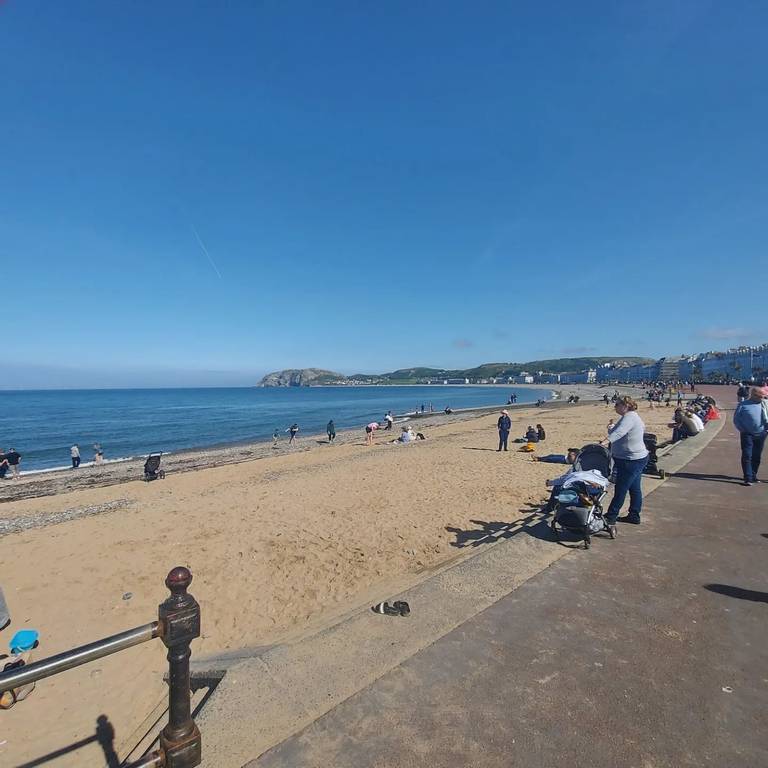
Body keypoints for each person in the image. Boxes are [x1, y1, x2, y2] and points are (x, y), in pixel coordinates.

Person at [604, 396, 649, 529]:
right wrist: (611, 428)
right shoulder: (629, 417)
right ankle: (634, 515)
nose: (615, 406)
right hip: (635, 458)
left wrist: (604, 442)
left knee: (621, 489)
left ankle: (610, 517)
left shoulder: (629, 417)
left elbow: (619, 433)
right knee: (634, 488)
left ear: (626, 405)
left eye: (617, 404)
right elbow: (619, 431)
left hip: (631, 460)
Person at [733, 387, 768, 486]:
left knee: (757, 456)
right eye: (760, 396)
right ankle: (748, 478)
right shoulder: (743, 405)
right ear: (753, 395)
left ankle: (753, 475)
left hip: (761, 434)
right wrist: (742, 429)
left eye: (763, 396)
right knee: (747, 455)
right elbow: (736, 419)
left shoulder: (764, 404)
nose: (762, 398)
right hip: (747, 434)